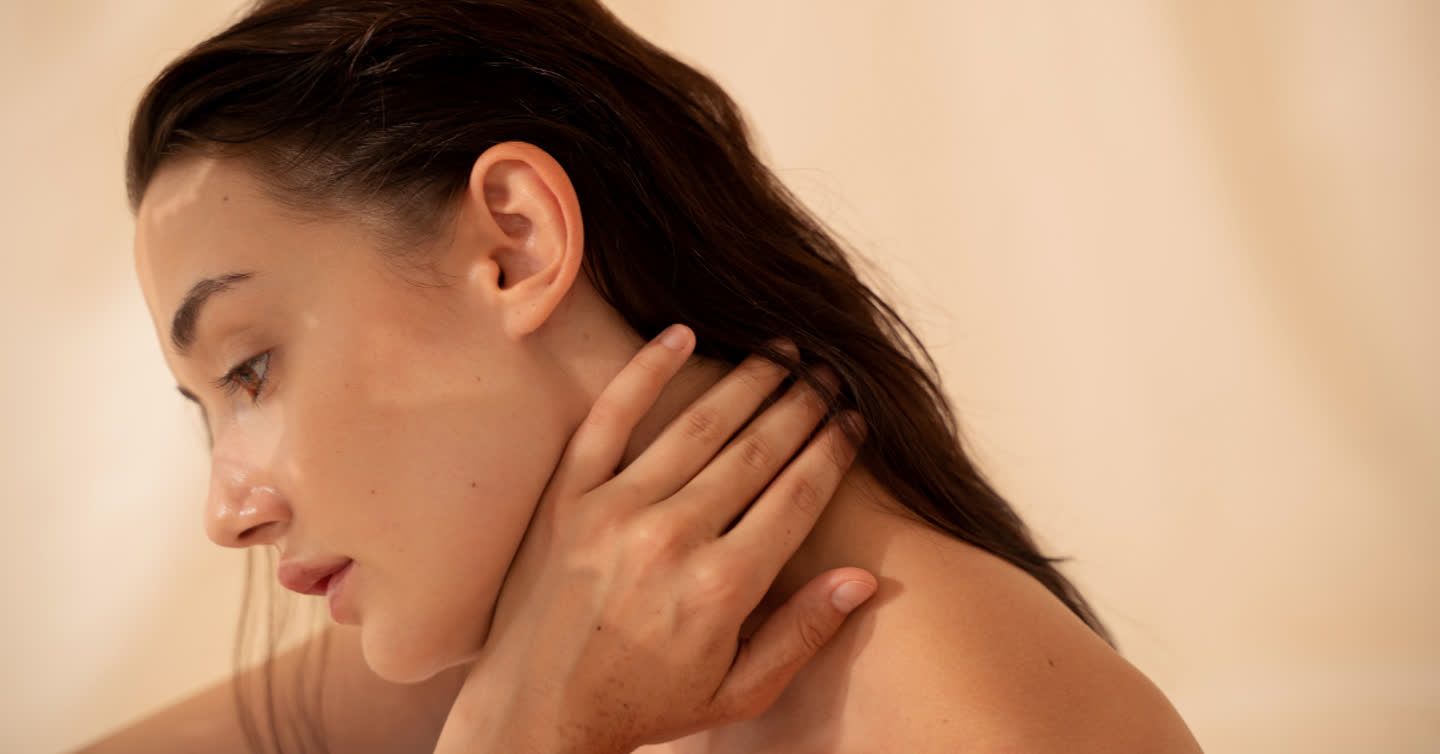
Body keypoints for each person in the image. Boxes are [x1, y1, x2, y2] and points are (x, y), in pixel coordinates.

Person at [87, 0, 1205, 751]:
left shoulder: (964, 711)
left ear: (513, 244)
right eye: (208, 408)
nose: (229, 512)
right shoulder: (511, 647)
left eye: (251, 366)